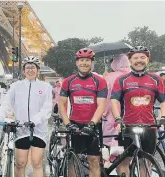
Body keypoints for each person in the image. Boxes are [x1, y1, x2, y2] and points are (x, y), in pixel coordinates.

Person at [111, 46, 165, 176]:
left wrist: (163, 116)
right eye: (135, 58)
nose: (139, 60)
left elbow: (163, 101)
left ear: (147, 60)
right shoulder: (122, 80)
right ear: (130, 61)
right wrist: (118, 119)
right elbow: (114, 101)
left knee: (145, 163)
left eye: (142, 57)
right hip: (128, 126)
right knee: (124, 162)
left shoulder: (156, 79)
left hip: (149, 126)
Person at [0, 56, 53, 177]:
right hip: (21, 129)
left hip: (38, 130)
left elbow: (47, 108)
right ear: (23, 71)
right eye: (27, 67)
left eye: (33, 67)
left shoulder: (45, 87)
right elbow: (6, 104)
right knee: (20, 163)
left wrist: (34, 121)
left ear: (38, 70)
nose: (30, 70)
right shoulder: (16, 86)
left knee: (37, 163)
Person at [58, 48, 107, 177]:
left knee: (94, 160)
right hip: (75, 123)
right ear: (77, 63)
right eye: (81, 60)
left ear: (92, 63)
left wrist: (92, 123)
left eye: (87, 60)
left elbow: (101, 105)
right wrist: (68, 124)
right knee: (74, 160)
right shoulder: (68, 81)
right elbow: (61, 105)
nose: (84, 63)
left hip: (93, 124)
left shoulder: (100, 81)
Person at [102, 54, 131, 146]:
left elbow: (106, 97)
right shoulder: (133, 75)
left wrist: (103, 112)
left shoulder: (109, 77)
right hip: (131, 114)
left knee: (110, 141)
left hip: (113, 114)